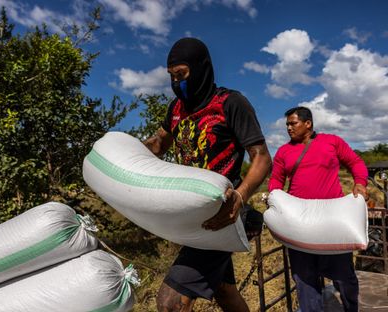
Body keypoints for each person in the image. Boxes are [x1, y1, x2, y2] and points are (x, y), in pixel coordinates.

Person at [143, 37, 271, 312]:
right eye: (171, 77)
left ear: (201, 69)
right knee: (224, 292)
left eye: (182, 75)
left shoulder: (230, 103)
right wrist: (120, 150)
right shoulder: (175, 109)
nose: (176, 83)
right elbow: (158, 144)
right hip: (192, 218)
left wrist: (241, 195)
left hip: (224, 215)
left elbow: (261, 157)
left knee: (171, 302)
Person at [268, 106, 368, 312]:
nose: (288, 128)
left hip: (332, 221)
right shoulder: (283, 151)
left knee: (344, 277)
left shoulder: (331, 141)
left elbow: (355, 162)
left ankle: (351, 308)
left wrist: (360, 183)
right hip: (298, 222)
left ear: (308, 124)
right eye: (287, 124)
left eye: (293, 123)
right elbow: (276, 179)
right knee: (304, 279)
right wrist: (274, 199)